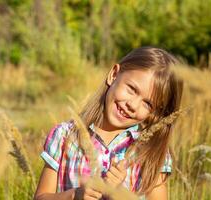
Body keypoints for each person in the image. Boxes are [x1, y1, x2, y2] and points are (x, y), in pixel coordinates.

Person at [34, 46, 183, 200]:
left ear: (155, 112)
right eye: (132, 89)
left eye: (147, 103)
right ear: (113, 74)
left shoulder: (150, 152)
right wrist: (74, 195)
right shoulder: (66, 136)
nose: (133, 105)